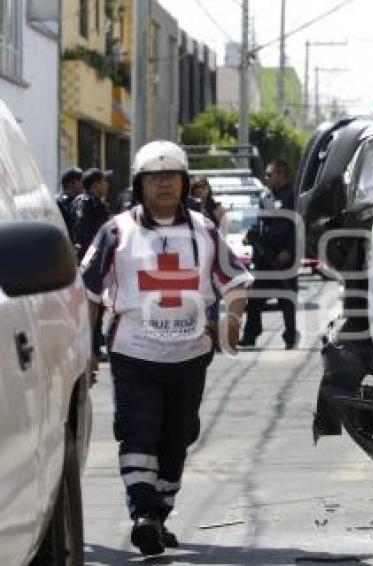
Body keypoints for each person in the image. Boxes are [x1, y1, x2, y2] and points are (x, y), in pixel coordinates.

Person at [81, 140, 253, 557]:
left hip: (190, 355)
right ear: (140, 185)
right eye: (154, 178)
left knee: (178, 437)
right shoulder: (116, 230)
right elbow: (88, 290)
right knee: (138, 429)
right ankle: (144, 512)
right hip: (132, 351)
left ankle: (157, 515)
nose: (163, 184)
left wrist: (229, 321)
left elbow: (236, 282)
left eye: (171, 177)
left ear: (184, 183)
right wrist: (87, 349)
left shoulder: (205, 230)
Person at [239, 159, 299, 349]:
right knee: (255, 300)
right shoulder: (266, 197)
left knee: (287, 300)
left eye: (269, 174)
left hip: (284, 259)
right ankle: (250, 335)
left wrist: (289, 250)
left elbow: (298, 226)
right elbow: (260, 222)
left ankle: (290, 337)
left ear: (281, 174)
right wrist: (251, 234)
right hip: (265, 257)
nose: (266, 178)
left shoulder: (293, 196)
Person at [74, 167, 112, 262]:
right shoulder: (85, 203)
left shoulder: (97, 203)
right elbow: (85, 234)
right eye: (104, 181)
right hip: (88, 256)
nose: (107, 185)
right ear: (96, 185)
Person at [56, 167, 83, 237]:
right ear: (73, 183)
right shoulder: (61, 202)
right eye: (82, 181)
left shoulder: (78, 201)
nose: (84, 185)